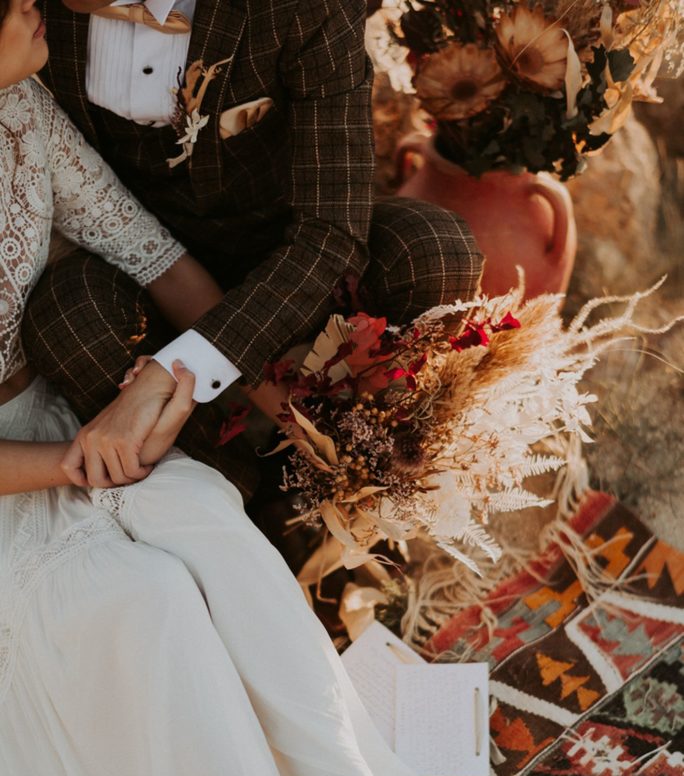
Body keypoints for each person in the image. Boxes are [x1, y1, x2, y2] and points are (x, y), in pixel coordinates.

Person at [0, 2, 503, 776]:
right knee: (148, 613)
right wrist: (73, 462)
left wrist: (262, 390)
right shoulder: (48, 43)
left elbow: (150, 250)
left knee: (211, 545)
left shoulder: (21, 110)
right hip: (27, 472)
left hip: (87, 418)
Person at [21, 0, 484, 503]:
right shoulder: (33, 16)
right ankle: (240, 498)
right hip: (134, 250)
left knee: (434, 251)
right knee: (66, 317)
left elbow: (332, 231)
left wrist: (177, 368)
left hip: (289, 251)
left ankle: (348, 481)